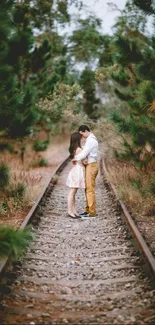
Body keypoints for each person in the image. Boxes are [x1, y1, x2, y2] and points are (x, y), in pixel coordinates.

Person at [73, 125, 99, 218]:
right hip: (91, 165)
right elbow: (85, 149)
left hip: (91, 166)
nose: (82, 137)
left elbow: (84, 153)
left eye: (82, 134)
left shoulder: (91, 140)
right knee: (87, 188)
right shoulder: (90, 139)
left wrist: (75, 159)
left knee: (89, 189)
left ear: (84, 131)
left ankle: (92, 212)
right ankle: (88, 210)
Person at [66, 132, 88, 219]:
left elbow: (75, 160)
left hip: (76, 170)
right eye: (81, 137)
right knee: (72, 192)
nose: (82, 138)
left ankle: (74, 211)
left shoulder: (75, 149)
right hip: (78, 171)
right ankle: (70, 211)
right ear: (78, 139)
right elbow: (85, 161)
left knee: (73, 192)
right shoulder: (79, 149)